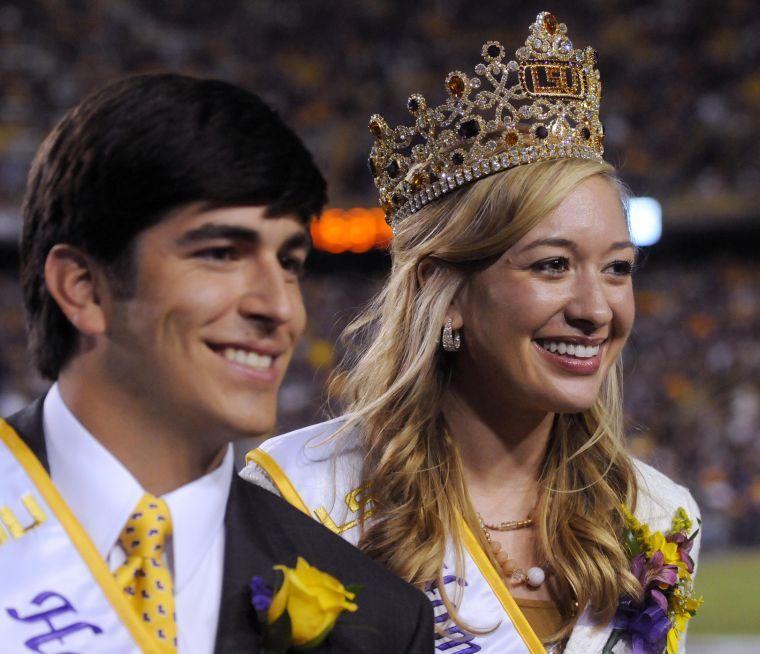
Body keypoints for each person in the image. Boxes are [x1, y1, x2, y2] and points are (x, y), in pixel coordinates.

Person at [242, 12, 702, 654]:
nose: (596, 309)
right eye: (552, 265)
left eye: (617, 268)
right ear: (443, 290)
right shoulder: (301, 496)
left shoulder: (656, 515)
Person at [0, 73, 433, 653]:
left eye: (289, 262)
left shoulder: (379, 618)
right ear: (83, 289)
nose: (280, 308)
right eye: (222, 254)